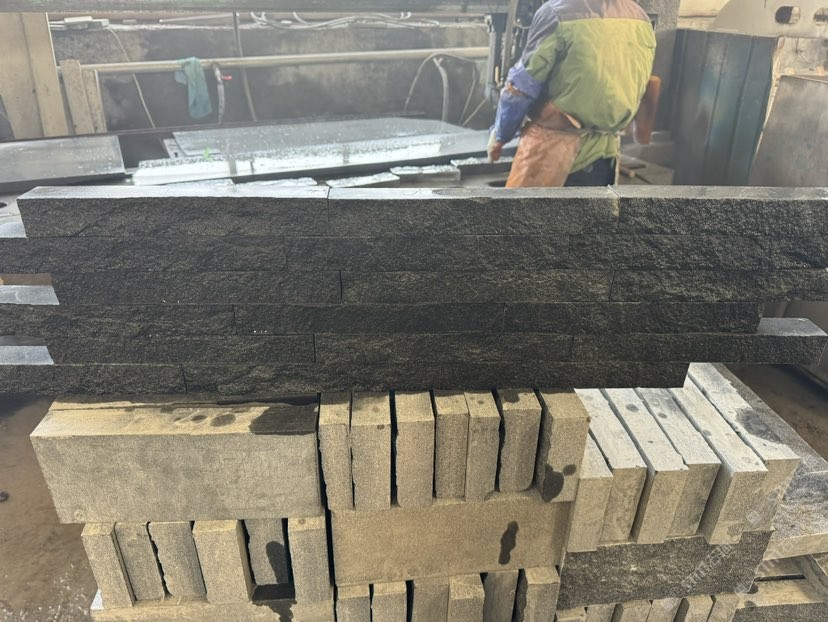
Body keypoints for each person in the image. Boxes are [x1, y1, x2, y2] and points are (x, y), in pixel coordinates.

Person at [487, 0, 657, 187]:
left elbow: (521, 88)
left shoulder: (557, 13)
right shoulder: (641, 19)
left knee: (528, 207)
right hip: (605, 158)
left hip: (556, 155)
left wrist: (500, 135)